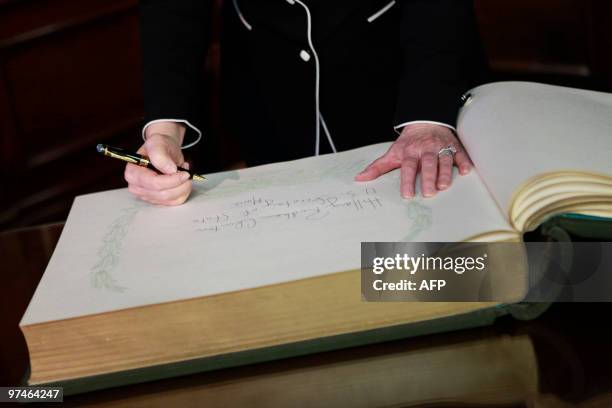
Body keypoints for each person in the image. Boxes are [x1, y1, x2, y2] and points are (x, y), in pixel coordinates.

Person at [125, 0, 488, 206]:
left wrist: (426, 119)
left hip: (400, 72)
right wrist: (165, 132)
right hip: (271, 80)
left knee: (428, 278)